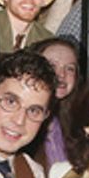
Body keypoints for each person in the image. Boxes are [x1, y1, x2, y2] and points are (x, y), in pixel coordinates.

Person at [30, 37, 80, 166]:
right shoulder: (21, 121)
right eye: (52, 66)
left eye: (70, 68)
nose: (61, 74)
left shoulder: (76, 124)